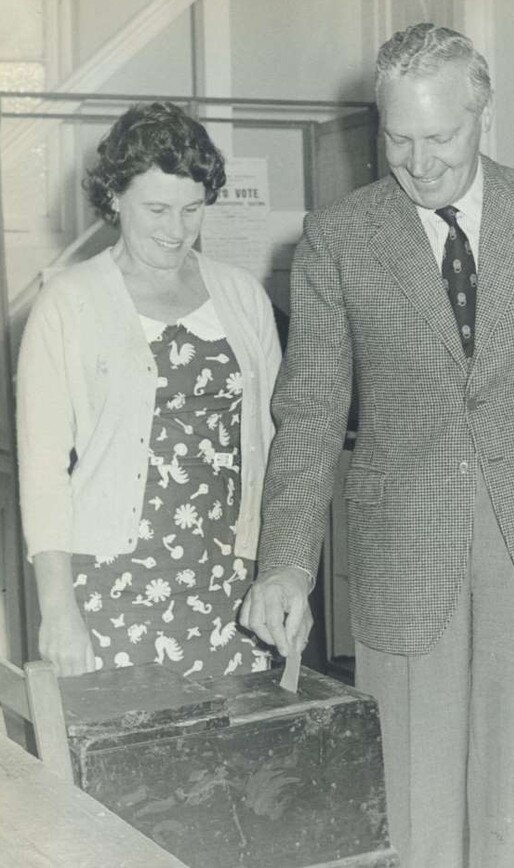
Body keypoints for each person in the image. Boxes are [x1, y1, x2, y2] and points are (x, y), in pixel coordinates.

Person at [240, 23, 514, 868]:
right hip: (403, 546)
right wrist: (283, 561)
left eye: (440, 137)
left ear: (481, 113)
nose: (419, 162)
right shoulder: (337, 237)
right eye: (398, 139)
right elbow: (310, 411)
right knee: (414, 794)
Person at [17, 102, 281, 681]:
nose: (176, 230)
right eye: (157, 208)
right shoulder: (68, 302)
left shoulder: (242, 297)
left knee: (243, 759)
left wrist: (283, 572)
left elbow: (275, 446)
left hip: (232, 577)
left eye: (192, 209)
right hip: (114, 582)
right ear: (114, 198)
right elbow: (41, 473)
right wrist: (58, 611)